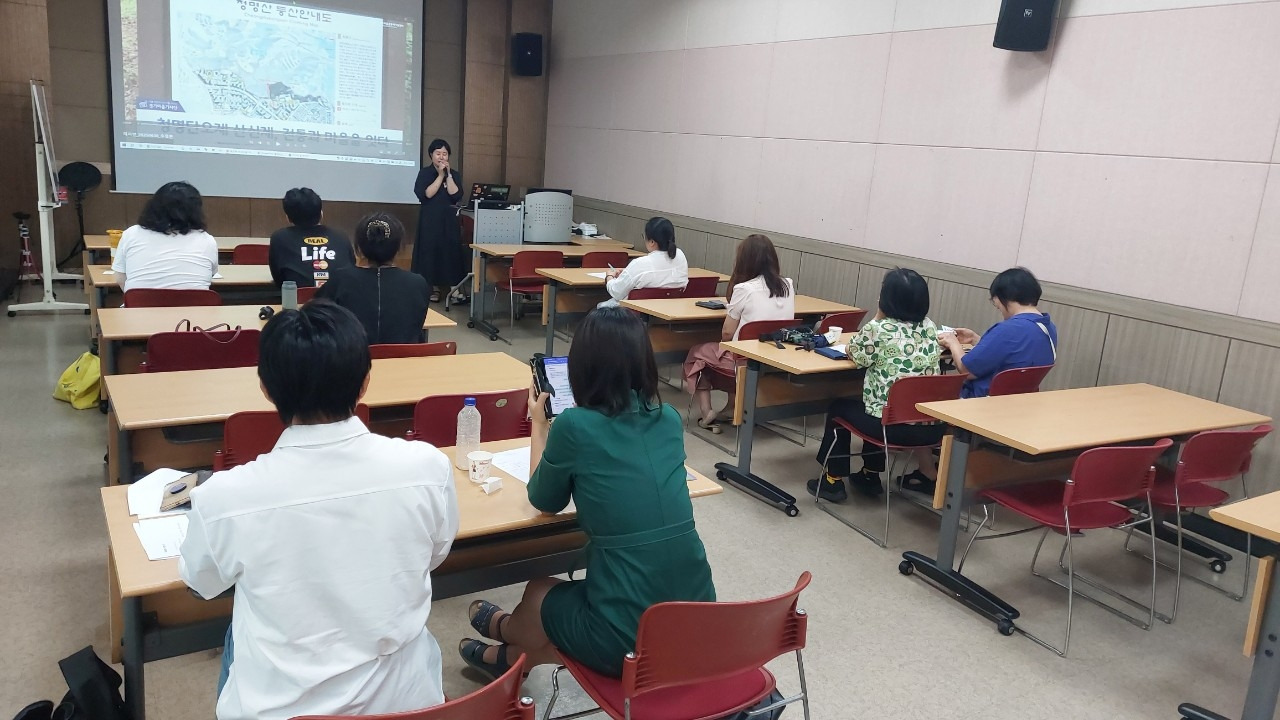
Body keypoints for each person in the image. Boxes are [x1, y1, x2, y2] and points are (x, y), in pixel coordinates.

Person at [178, 300, 459, 720]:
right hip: (407, 705)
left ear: (265, 388)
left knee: (241, 627)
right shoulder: (427, 467)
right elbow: (434, 555)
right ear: (365, 383)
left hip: (278, 711)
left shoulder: (224, 497)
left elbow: (201, 583)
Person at [457, 306, 716, 679]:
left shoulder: (576, 425)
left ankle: (508, 635)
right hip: (699, 620)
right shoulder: (669, 420)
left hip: (631, 642)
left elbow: (543, 500)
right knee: (556, 603)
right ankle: (512, 656)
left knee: (539, 594)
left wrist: (538, 426)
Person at [809, 268, 942, 502]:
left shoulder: (877, 329)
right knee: (879, 408)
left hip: (891, 427)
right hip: (930, 428)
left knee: (839, 408)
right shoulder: (930, 327)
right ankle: (869, 474)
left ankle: (833, 480)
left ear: (886, 299)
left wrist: (878, 316)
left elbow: (855, 352)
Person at [682, 234, 794, 433]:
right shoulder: (787, 285)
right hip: (776, 360)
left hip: (744, 362)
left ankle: (707, 411)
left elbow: (727, 333)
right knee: (718, 352)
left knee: (698, 353)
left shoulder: (744, 288)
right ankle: (732, 406)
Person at [940, 267, 1058, 399]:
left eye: (998, 306)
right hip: (1019, 403)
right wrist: (975, 339)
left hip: (980, 403)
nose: (1000, 311)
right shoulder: (1048, 328)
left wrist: (953, 342)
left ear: (1006, 298)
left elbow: (967, 370)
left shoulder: (1008, 329)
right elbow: (1014, 355)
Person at [316, 214, 431, 345]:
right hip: (405, 361)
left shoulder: (340, 279)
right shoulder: (417, 283)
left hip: (350, 360)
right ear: (399, 247)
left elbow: (318, 319)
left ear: (359, 247)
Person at [111, 181, 218, 293]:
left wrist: (136, 300)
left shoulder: (131, 233)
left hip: (141, 308)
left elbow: (120, 278)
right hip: (195, 309)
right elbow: (210, 275)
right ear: (196, 211)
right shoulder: (207, 240)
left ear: (154, 206)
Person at [267, 187, 356, 288]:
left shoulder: (279, 238)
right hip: (340, 301)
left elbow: (279, 280)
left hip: (297, 302)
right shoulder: (341, 237)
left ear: (288, 218)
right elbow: (352, 270)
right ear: (321, 214)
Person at [412, 138, 465, 304]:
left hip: (449, 221)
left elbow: (455, 194)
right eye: (438, 153)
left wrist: (448, 175)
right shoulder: (425, 173)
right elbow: (427, 194)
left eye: (445, 153)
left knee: (450, 253)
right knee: (430, 253)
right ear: (431, 155)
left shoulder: (454, 174)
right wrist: (440, 175)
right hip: (430, 220)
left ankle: (454, 290)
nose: (441, 157)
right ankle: (432, 288)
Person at [600, 216, 688, 305]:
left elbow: (616, 292)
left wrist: (609, 277)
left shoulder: (640, 264)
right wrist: (628, 273)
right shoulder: (680, 255)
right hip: (670, 308)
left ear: (652, 242)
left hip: (633, 313)